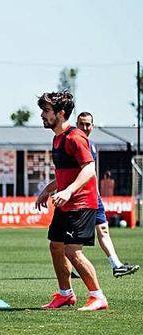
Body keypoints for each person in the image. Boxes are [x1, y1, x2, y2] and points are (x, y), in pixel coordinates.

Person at [34, 96, 108, 311]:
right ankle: (66, 294)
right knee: (56, 246)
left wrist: (67, 191)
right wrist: (48, 190)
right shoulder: (57, 139)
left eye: (47, 110)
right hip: (65, 203)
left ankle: (98, 296)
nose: (42, 115)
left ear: (60, 113)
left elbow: (88, 169)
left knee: (72, 251)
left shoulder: (75, 137)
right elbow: (66, 173)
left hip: (81, 203)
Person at [71, 113, 137, 277]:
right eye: (82, 124)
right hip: (79, 197)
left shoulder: (91, 145)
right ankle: (75, 269)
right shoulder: (72, 143)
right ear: (76, 124)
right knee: (74, 236)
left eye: (88, 124)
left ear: (92, 126)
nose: (85, 128)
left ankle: (116, 265)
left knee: (103, 229)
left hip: (94, 195)